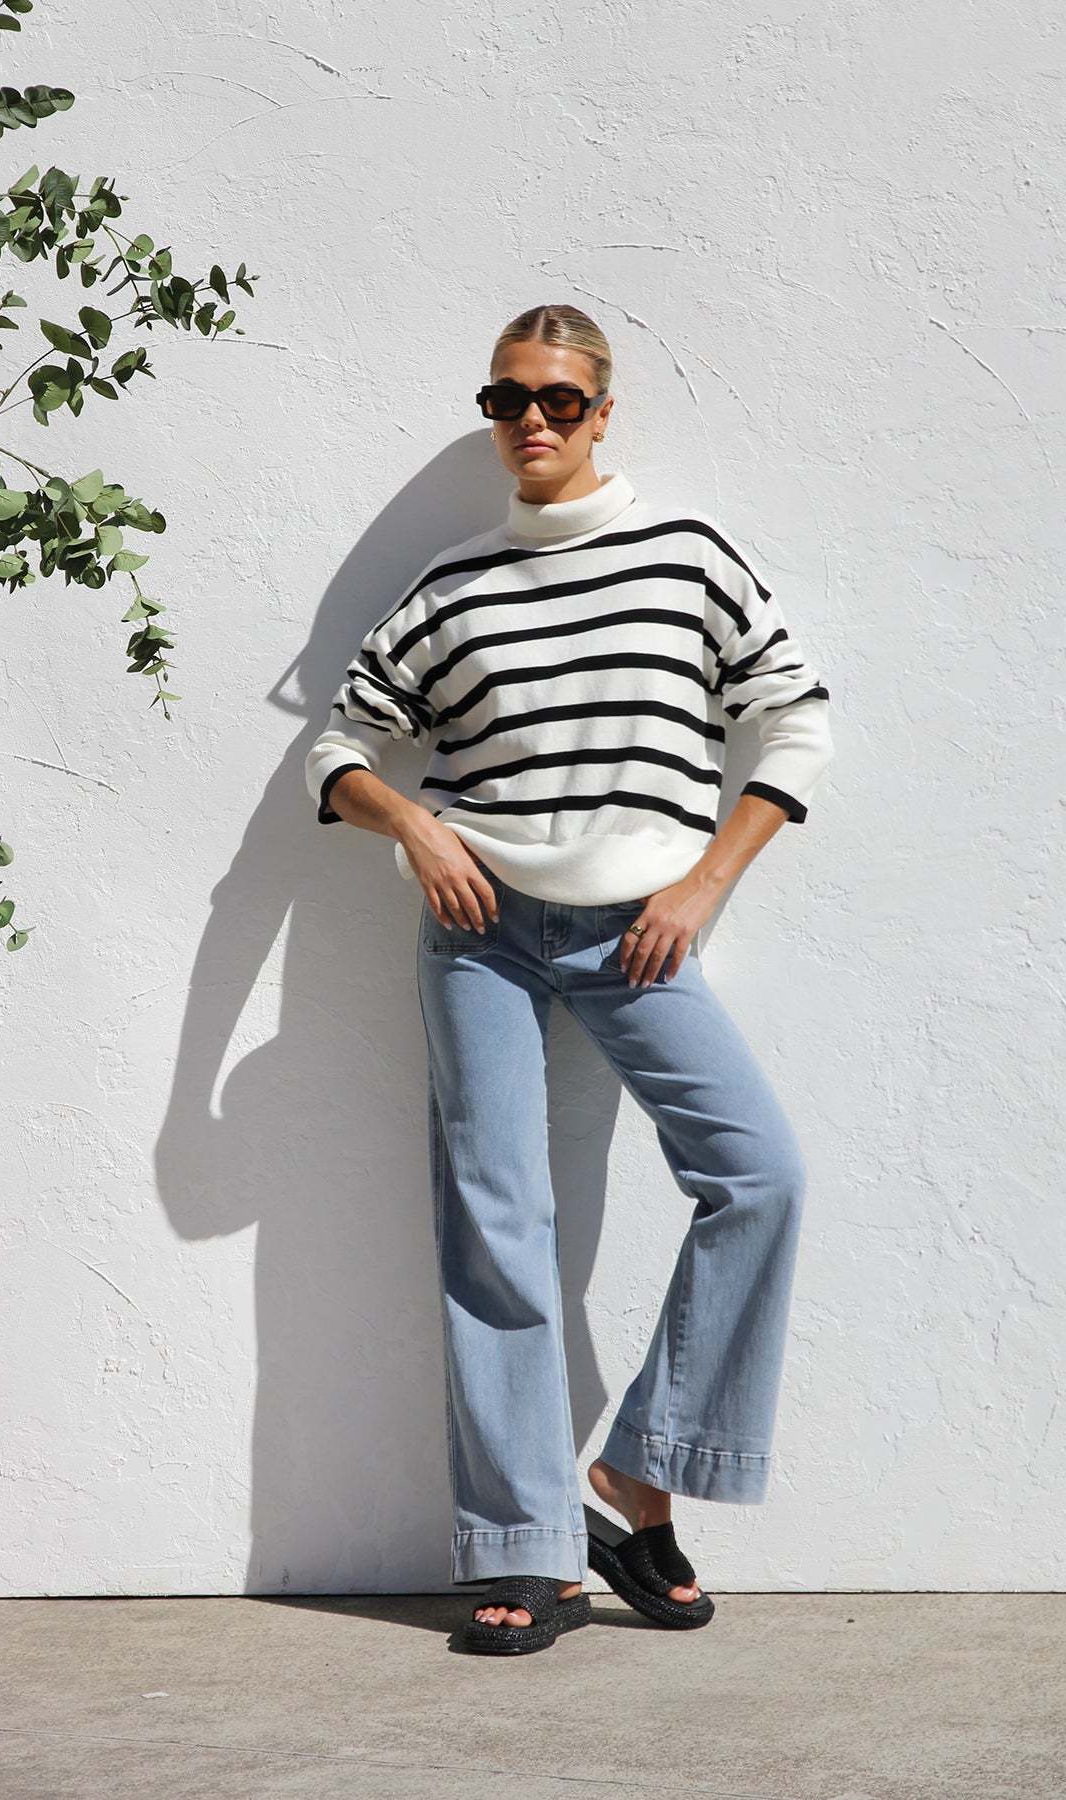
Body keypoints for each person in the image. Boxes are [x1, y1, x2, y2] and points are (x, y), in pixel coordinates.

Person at [303, 303, 834, 1657]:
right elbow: (339, 747)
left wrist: (702, 885)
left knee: (759, 1174)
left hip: (638, 930)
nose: (529, 421)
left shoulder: (684, 554)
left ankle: (640, 1475)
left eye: (557, 399)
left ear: (604, 410)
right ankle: (524, 1549)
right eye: (505, 399)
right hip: (479, 924)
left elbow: (793, 718)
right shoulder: (455, 584)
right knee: (499, 1220)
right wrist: (417, 827)